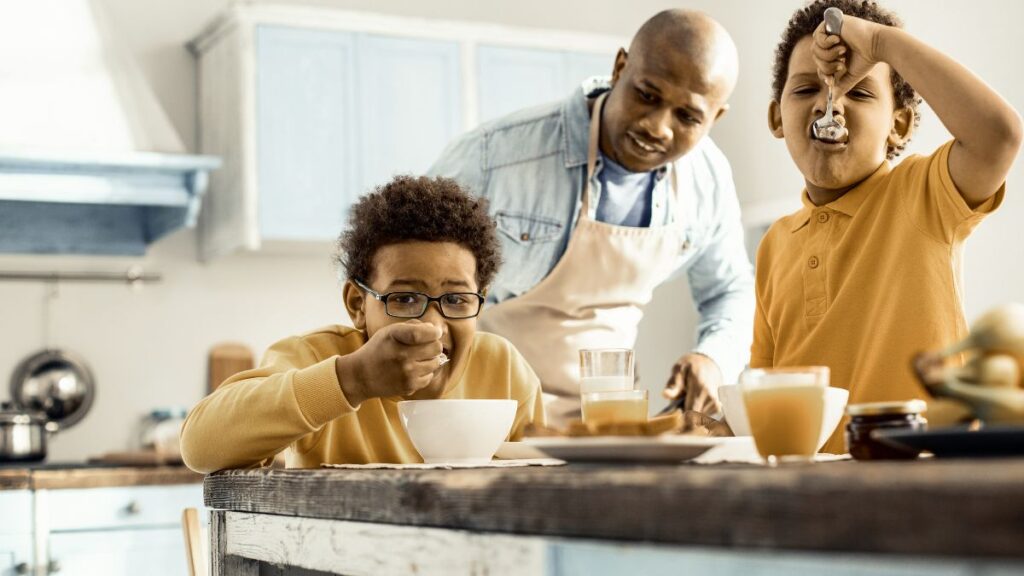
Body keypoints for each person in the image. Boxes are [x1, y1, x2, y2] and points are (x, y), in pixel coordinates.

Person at [429, 10, 754, 425]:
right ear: (620, 68)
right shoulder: (495, 157)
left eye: (687, 116)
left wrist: (713, 358)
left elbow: (729, 289)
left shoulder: (708, 179)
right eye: (647, 95)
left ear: (715, 118)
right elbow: (408, 276)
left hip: (607, 425)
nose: (658, 127)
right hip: (484, 417)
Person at [754, 0, 1022, 452]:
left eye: (858, 92)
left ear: (899, 125)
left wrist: (880, 44)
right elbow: (762, 385)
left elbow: (998, 136)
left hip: (922, 479)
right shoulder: (774, 243)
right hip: (808, 492)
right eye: (804, 90)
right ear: (777, 117)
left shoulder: (923, 196)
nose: (829, 102)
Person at [180, 176, 545, 471]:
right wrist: (352, 380)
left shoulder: (505, 370)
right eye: (404, 299)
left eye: (455, 300)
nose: (432, 326)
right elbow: (200, 446)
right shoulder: (314, 357)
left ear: (479, 303)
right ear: (358, 304)